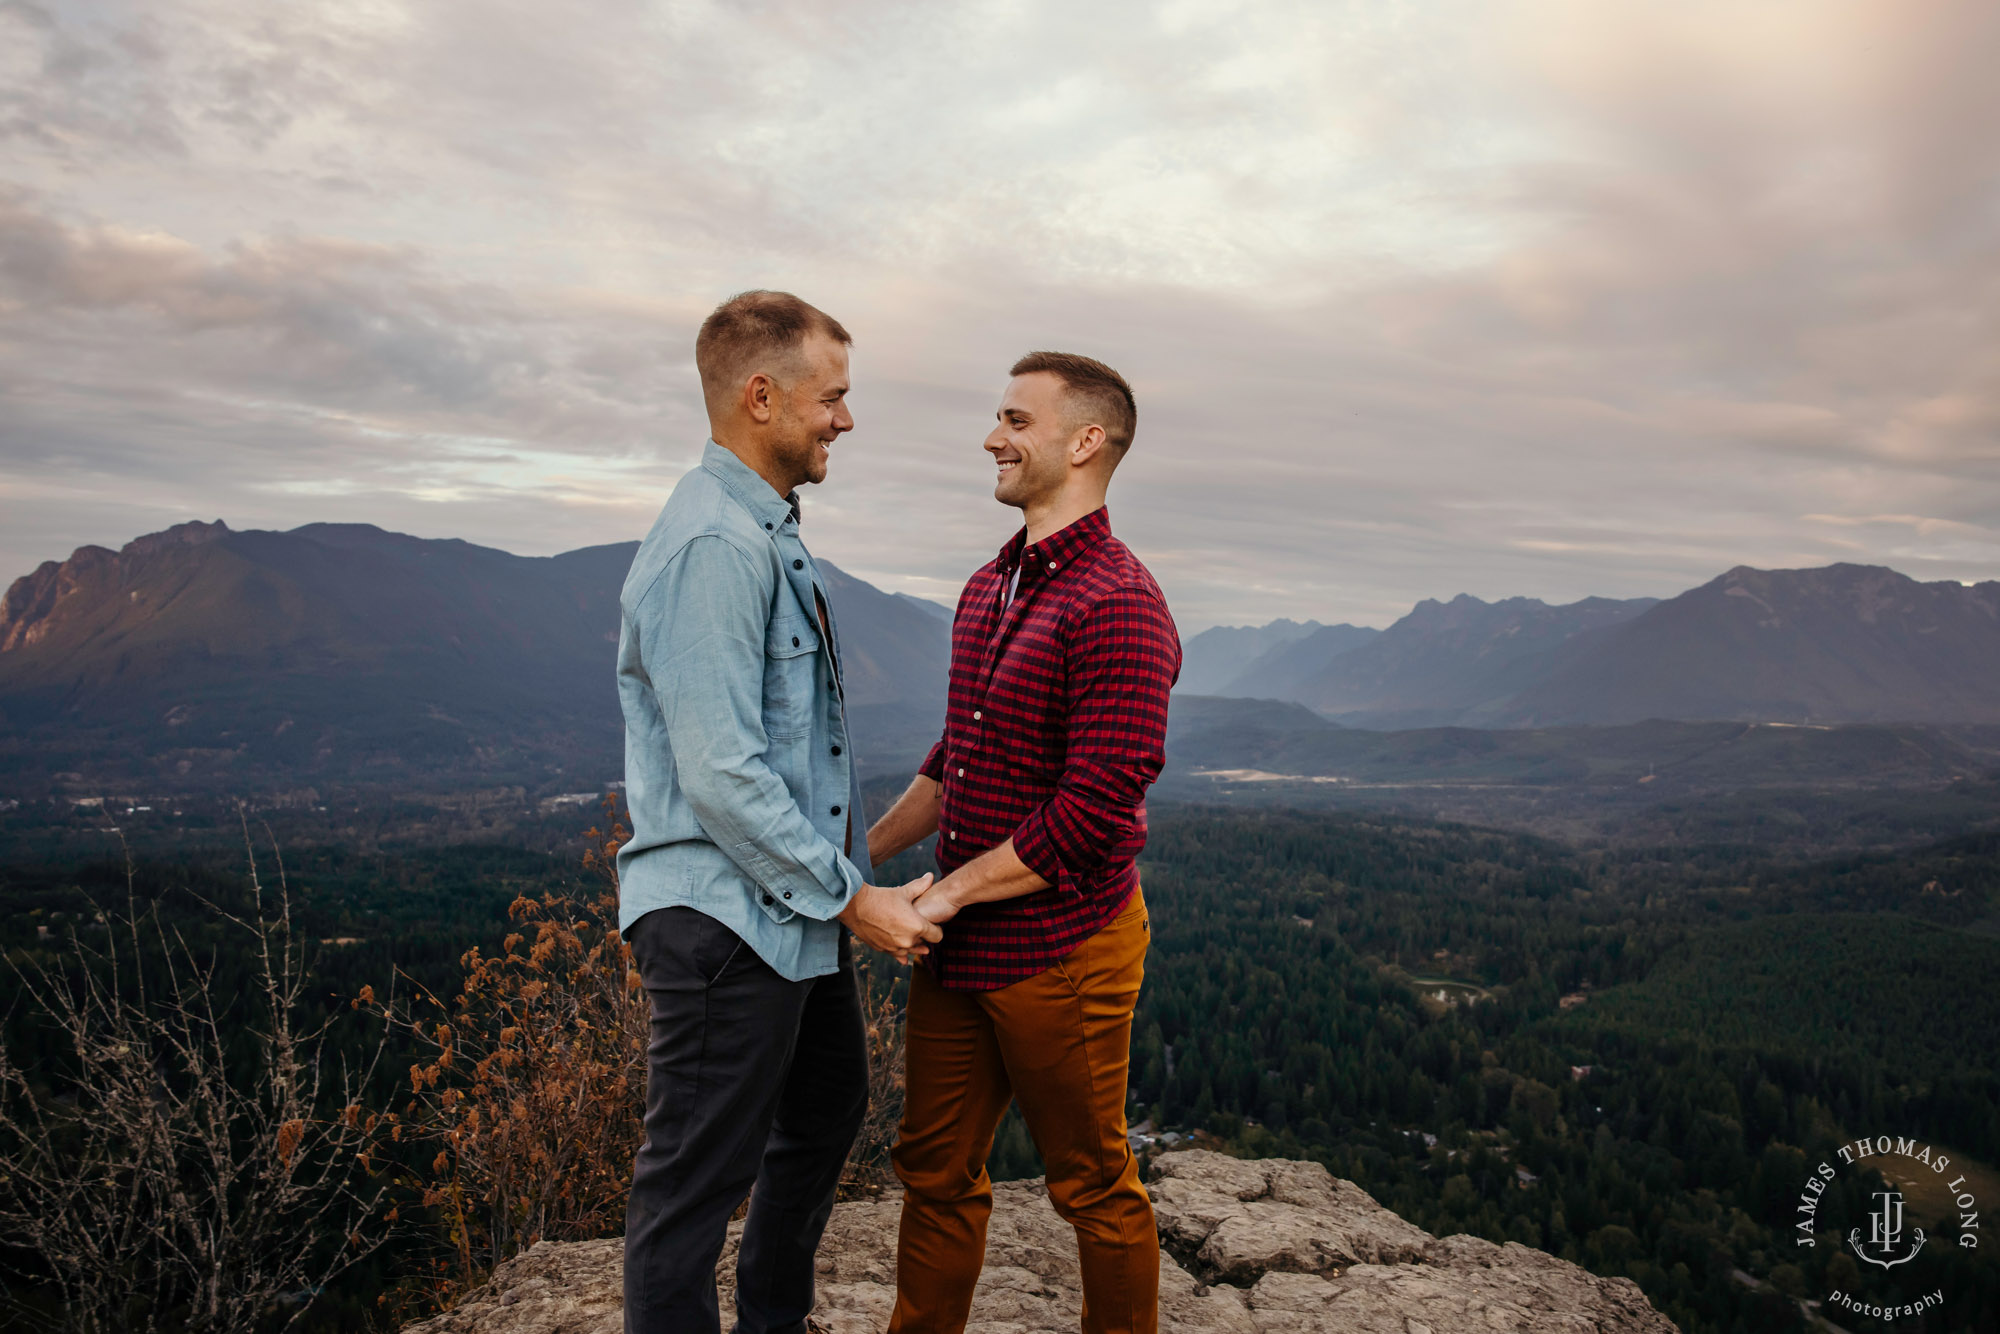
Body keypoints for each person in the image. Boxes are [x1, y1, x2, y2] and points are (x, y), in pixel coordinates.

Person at [616, 290, 942, 1334]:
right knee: (689, 1187)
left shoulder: (764, 527)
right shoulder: (715, 544)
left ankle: (772, 1319)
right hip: (721, 917)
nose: (843, 419)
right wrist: (859, 900)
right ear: (762, 396)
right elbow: (721, 775)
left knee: (823, 1104)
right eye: (831, 397)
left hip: (779, 910)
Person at [867, 351, 1181, 1334]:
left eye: (1014, 418)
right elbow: (956, 751)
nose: (991, 437)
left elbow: (1093, 809)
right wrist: (855, 860)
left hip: (1064, 951)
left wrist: (947, 891)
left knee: (1089, 1183)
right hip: (957, 945)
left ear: (1085, 441)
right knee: (932, 1168)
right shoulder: (990, 584)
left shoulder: (1119, 600)